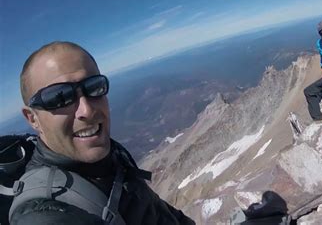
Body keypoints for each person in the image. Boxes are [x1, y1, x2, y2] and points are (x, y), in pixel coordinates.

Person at [11, 41, 195, 224]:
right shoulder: (42, 215)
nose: (87, 110)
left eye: (93, 87)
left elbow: (159, 212)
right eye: (60, 97)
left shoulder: (112, 158)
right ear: (32, 118)